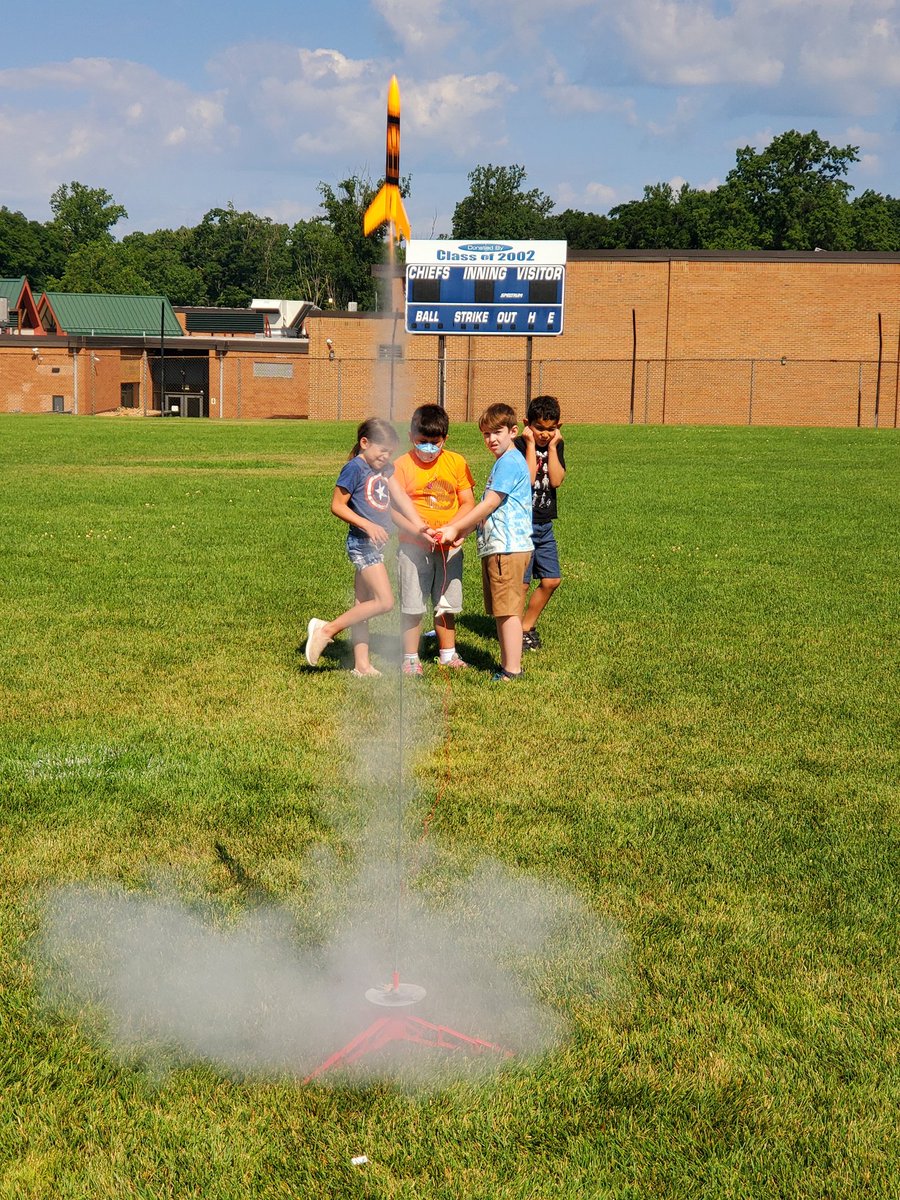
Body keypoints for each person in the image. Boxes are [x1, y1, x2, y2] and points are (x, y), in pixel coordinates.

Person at [305, 417, 430, 676]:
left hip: (375, 545)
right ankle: (325, 630)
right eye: (382, 450)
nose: (386, 456)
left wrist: (420, 527)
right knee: (384, 602)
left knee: (362, 603)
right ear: (365, 443)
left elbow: (400, 499)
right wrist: (368, 526)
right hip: (362, 544)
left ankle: (361, 665)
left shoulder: (383, 470)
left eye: (390, 452)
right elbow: (337, 506)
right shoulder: (355, 468)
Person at [437, 403, 533, 681]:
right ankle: (508, 666)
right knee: (503, 610)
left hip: (507, 548)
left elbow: (490, 503)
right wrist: (464, 533)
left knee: (508, 612)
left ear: (513, 431)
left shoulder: (509, 462)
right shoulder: (506, 462)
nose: (491, 439)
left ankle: (511, 670)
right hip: (500, 547)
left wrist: (455, 527)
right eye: (486, 434)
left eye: (497, 432)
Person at [391, 404, 476, 675]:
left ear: (445, 440)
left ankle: (448, 654)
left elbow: (467, 502)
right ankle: (410, 657)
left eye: (434, 443)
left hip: (448, 547)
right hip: (412, 547)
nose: (428, 448)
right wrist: (417, 531)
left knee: (447, 603)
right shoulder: (400, 466)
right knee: (413, 604)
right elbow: (393, 511)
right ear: (410, 436)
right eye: (422, 442)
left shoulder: (456, 462)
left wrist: (452, 529)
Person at [513, 395, 566, 651]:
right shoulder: (518, 445)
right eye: (539, 428)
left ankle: (525, 626)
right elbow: (529, 478)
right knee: (522, 584)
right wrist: (531, 444)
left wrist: (554, 448)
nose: (545, 434)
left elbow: (555, 481)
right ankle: (513, 631)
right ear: (527, 424)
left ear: (558, 427)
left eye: (551, 429)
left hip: (544, 525)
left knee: (551, 580)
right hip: (522, 525)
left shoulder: (556, 445)